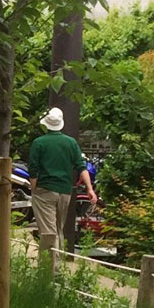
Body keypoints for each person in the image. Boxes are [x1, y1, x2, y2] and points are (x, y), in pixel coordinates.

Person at [29, 107, 96, 255]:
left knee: (48, 232)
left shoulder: (39, 143)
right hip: (65, 192)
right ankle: (56, 268)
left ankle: (51, 270)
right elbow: (81, 167)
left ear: (46, 124)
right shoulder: (71, 143)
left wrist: (34, 189)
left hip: (45, 190)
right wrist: (90, 189)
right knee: (58, 229)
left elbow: (33, 169)